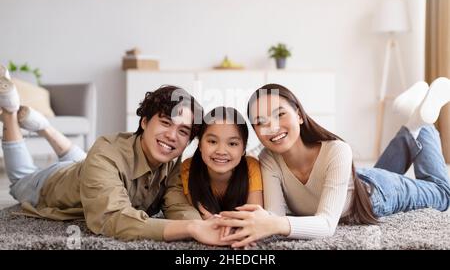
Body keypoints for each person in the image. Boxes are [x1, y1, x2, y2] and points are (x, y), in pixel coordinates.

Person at [0, 65, 232, 245]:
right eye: (165, 123)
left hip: (84, 166)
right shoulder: (106, 152)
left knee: (81, 159)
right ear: (144, 121)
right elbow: (112, 219)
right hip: (51, 182)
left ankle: (43, 126)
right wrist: (190, 229)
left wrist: (203, 222)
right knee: (20, 181)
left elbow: (176, 204)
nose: (172, 136)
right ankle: (10, 112)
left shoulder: (172, 162)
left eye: (183, 131)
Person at [217, 79, 450, 248]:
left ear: (299, 114)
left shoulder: (337, 150)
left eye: (280, 115)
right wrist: (254, 225)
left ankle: (422, 121)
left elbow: (327, 224)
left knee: (442, 194)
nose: (272, 128)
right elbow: (275, 217)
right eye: (260, 122)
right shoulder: (268, 160)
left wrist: (273, 224)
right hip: (350, 181)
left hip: (377, 192)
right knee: (373, 174)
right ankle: (412, 121)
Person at [181, 106, 263, 219]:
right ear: (199, 144)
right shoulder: (188, 167)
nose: (221, 151)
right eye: (212, 141)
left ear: (244, 149)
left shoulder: (251, 166)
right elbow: (202, 215)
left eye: (232, 144)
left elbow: (254, 215)